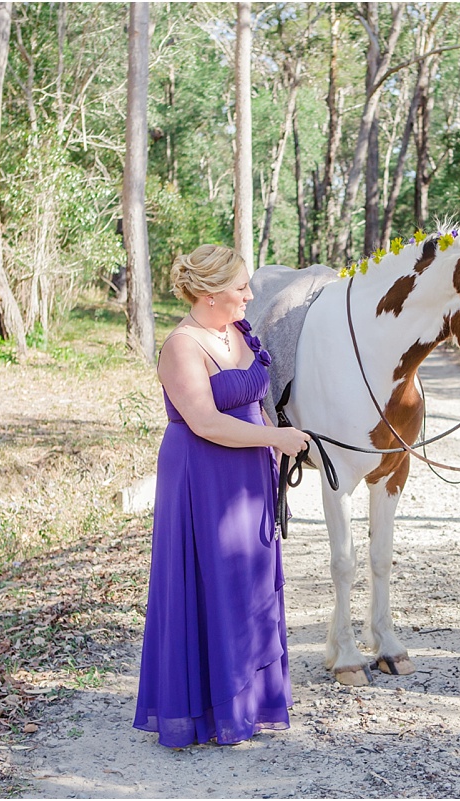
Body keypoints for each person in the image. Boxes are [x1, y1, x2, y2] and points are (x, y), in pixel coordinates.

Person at [133, 244, 310, 747]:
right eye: (240, 288)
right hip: (203, 475)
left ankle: (251, 704)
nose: (250, 296)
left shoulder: (237, 331)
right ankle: (210, 709)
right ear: (210, 294)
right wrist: (274, 439)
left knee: (251, 578)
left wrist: (274, 437)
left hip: (250, 469)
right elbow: (207, 422)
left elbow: (257, 398)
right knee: (210, 579)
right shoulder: (181, 347)